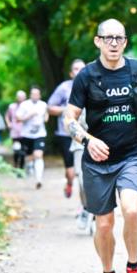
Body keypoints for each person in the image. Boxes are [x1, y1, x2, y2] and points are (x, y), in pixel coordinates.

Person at [63, 19, 137, 273]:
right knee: (104, 224)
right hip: (97, 161)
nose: (114, 43)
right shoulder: (86, 76)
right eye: (108, 38)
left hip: (132, 155)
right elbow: (69, 117)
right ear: (98, 41)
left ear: (125, 42)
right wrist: (87, 140)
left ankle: (133, 267)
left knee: (131, 210)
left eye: (119, 38)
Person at [48, 59, 86, 199]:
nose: (79, 71)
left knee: (84, 171)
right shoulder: (63, 88)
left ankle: (86, 206)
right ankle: (69, 183)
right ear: (71, 73)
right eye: (76, 68)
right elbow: (50, 107)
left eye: (82, 68)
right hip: (66, 134)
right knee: (71, 172)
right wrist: (68, 110)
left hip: (87, 135)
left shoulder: (94, 86)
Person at [16, 86, 49, 189]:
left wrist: (45, 118)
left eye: (37, 94)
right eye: (33, 94)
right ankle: (29, 166)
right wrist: (29, 116)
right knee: (28, 157)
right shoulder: (24, 105)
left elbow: (46, 115)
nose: (35, 96)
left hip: (40, 134)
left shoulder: (43, 104)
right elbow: (18, 118)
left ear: (39, 95)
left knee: (38, 155)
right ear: (30, 95)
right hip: (27, 135)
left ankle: (39, 179)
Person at [6, 90, 27, 171]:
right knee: (16, 150)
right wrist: (8, 123)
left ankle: (21, 168)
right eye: (19, 97)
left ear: (25, 98)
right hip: (15, 132)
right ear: (17, 98)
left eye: (22, 97)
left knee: (23, 151)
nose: (21, 99)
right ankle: (15, 165)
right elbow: (7, 116)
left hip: (25, 133)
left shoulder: (28, 106)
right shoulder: (12, 106)